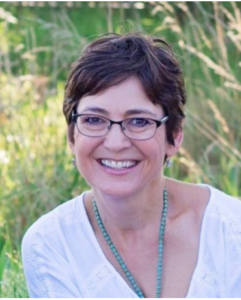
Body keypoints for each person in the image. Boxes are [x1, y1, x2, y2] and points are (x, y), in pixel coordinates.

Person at [21, 33, 241, 298]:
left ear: (174, 135)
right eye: (93, 120)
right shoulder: (51, 245)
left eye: (139, 121)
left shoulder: (231, 231)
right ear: (71, 135)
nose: (115, 142)